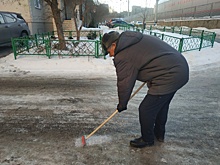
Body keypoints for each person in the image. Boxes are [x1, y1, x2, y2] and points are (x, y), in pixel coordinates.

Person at [101, 31, 189, 148]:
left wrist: (122, 103)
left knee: (146, 109)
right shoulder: (132, 40)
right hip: (179, 68)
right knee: (160, 106)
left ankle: (147, 139)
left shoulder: (123, 54)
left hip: (169, 75)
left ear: (113, 45)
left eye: (109, 52)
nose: (111, 55)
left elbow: (125, 82)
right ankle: (159, 134)